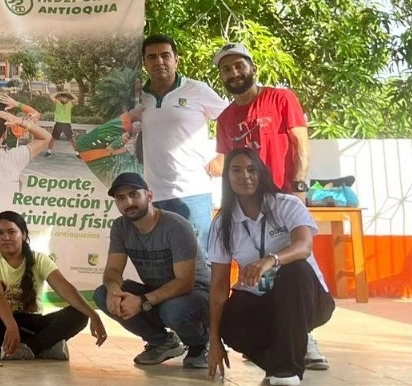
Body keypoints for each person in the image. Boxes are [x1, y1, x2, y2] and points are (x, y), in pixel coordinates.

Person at [206, 149, 334, 386]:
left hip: (309, 299)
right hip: (263, 302)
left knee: (295, 269)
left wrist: (270, 260)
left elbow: (304, 246)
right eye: (236, 170)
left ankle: (287, 368)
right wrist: (214, 339)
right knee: (230, 320)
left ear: (262, 173)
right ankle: (281, 362)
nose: (245, 176)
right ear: (227, 177)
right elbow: (218, 286)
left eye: (251, 169)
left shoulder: (286, 204)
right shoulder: (223, 223)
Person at [94, 172, 210, 368]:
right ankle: (162, 342)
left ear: (149, 196)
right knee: (102, 294)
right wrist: (114, 290)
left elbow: (185, 282)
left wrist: (142, 301)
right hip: (158, 295)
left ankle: (199, 343)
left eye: (134, 194)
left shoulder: (176, 226)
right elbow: (113, 269)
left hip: (195, 295)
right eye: (121, 198)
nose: (128, 202)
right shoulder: (120, 227)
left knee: (172, 310)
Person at [0, 211, 107, 360]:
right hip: (1, 323)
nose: (6, 238)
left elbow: (65, 288)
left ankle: (30, 348)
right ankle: (44, 348)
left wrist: (94, 315)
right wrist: (11, 326)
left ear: (23, 234)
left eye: (12, 232)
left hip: (32, 323)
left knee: (80, 313)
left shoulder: (40, 259)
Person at [138, 34, 226, 247]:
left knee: (197, 261)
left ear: (176, 59)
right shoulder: (138, 96)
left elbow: (230, 118)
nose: (159, 61)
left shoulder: (197, 90)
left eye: (165, 55)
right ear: (144, 63)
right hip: (151, 194)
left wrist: (223, 156)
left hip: (192, 192)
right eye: (152, 57)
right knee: (163, 260)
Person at [213, 43, 310, 193]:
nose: (234, 73)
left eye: (239, 66)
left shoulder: (281, 98)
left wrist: (299, 187)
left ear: (254, 69)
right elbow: (229, 166)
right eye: (226, 69)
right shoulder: (224, 119)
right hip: (247, 202)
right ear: (221, 77)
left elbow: (302, 144)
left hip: (284, 196)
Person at [0, 103, 52, 198]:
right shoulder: (13, 126)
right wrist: (17, 107)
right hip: (11, 164)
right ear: (5, 134)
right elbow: (45, 136)